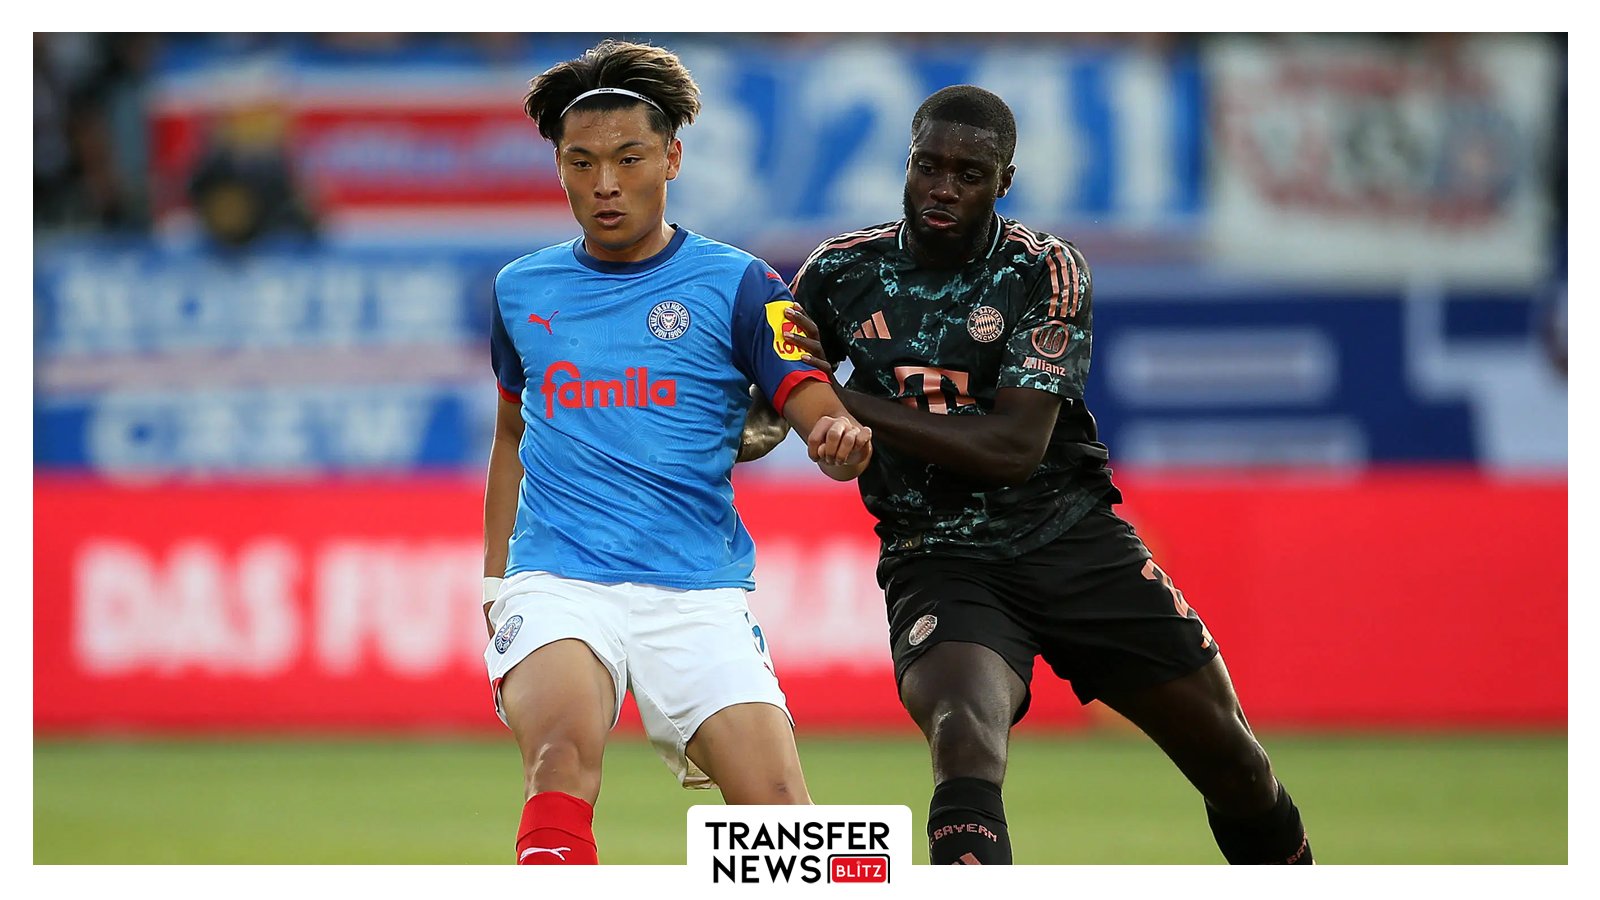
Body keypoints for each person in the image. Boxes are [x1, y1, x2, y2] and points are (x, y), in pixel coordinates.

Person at [763, 84, 1312, 865]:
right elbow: (775, 392)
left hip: (1071, 539)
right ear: (907, 164)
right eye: (928, 166)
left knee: (1234, 762)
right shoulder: (838, 273)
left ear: (1004, 181)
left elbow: (1013, 447)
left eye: (969, 172)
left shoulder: (1044, 270)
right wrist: (820, 430)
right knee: (962, 736)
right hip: (937, 556)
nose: (944, 187)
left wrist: (846, 403)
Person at [482, 39, 873, 866]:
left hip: (695, 591)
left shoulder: (741, 284)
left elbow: (806, 393)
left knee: (782, 816)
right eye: (581, 163)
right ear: (558, 168)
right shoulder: (523, 288)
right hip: (559, 579)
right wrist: (495, 581)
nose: (605, 184)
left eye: (629, 158)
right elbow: (513, 431)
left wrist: (831, 433)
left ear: (673, 158)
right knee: (560, 758)